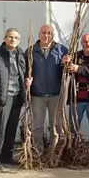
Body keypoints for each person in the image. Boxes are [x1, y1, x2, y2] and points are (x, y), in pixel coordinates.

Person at [0, 28, 27, 170]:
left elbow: (25, 72)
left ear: (18, 40)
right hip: (2, 97)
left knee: (11, 128)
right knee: (0, 129)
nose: (12, 40)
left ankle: (7, 157)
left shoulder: (21, 54)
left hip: (17, 96)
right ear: (5, 38)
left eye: (15, 37)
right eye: (10, 37)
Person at [25, 25, 69, 156]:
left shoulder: (62, 49)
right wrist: (27, 81)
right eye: (44, 33)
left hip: (56, 93)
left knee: (55, 125)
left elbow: (66, 71)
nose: (46, 35)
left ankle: (53, 152)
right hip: (37, 94)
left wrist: (65, 63)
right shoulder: (31, 50)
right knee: (37, 126)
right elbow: (25, 70)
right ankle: (38, 152)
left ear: (53, 35)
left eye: (49, 33)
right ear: (39, 34)